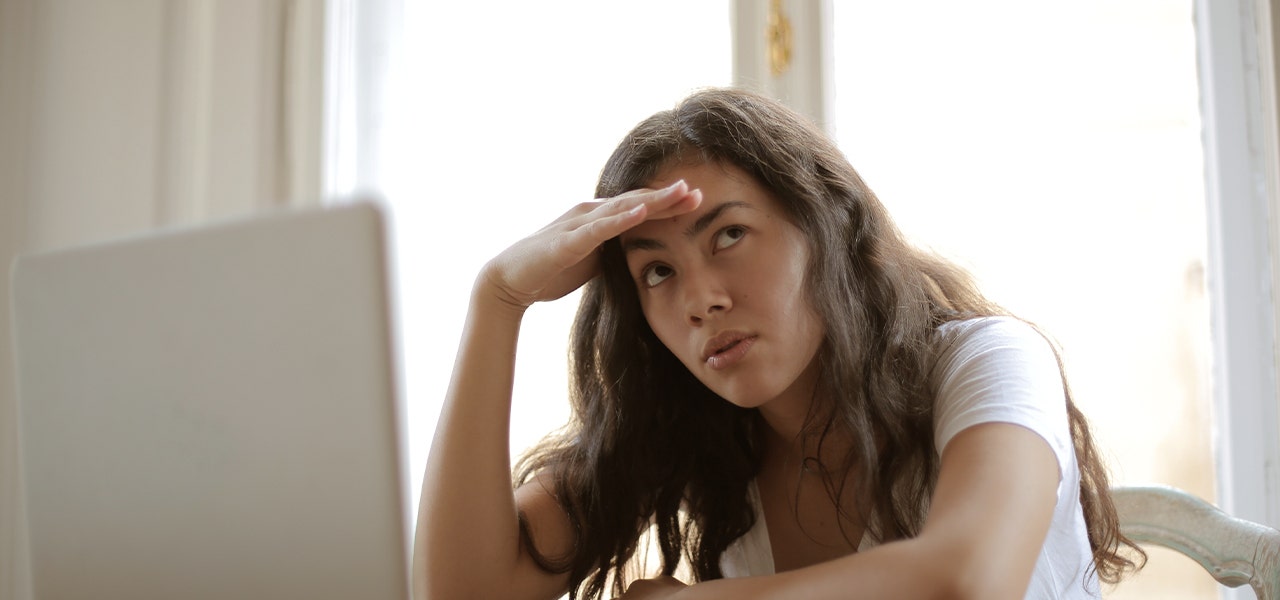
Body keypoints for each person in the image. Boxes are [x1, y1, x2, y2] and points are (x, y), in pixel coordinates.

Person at [412, 87, 1143, 600]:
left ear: (826, 225)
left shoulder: (989, 361)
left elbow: (967, 581)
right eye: (657, 271)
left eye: (728, 234)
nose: (701, 299)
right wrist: (497, 301)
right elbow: (465, 593)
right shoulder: (691, 428)